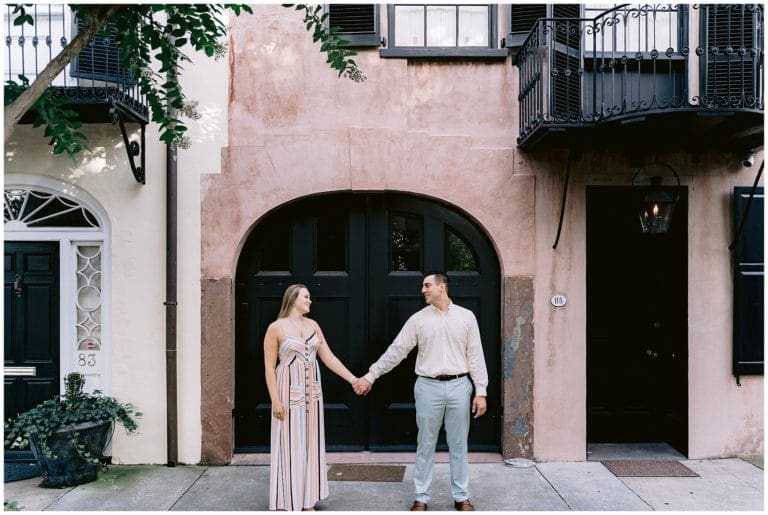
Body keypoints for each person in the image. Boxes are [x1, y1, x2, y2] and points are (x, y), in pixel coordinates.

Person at [354, 271, 488, 512]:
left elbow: (475, 356)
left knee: (459, 445)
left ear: (442, 287)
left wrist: (481, 391)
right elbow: (396, 351)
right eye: (423, 286)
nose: (423, 290)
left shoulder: (466, 318)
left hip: (460, 386)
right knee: (425, 443)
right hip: (427, 387)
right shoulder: (418, 320)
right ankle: (422, 497)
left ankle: (461, 496)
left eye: (427, 285)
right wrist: (371, 375)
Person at [264, 284, 359, 511]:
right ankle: (289, 501)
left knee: (310, 444)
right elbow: (269, 368)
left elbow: (329, 358)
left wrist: (353, 379)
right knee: (289, 445)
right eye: (306, 297)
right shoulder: (275, 328)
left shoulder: (313, 325)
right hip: (287, 393)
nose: (310, 301)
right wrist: (275, 400)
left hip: (313, 395)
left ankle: (307, 501)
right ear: (293, 298)